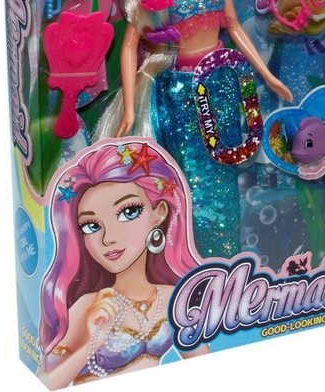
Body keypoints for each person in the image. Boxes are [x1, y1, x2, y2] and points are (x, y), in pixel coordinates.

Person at [95, 0, 292, 259]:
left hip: (224, 83)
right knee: (193, 179)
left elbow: (232, 24)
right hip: (182, 92)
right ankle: (197, 260)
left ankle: (227, 259)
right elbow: (131, 44)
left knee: (226, 170)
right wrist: (129, 111)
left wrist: (268, 76)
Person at [39, 139, 204, 389]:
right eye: (91, 226)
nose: (109, 238)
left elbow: (204, 359)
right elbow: (46, 381)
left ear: (159, 212)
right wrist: (93, 341)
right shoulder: (89, 306)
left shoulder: (174, 296)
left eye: (129, 212)